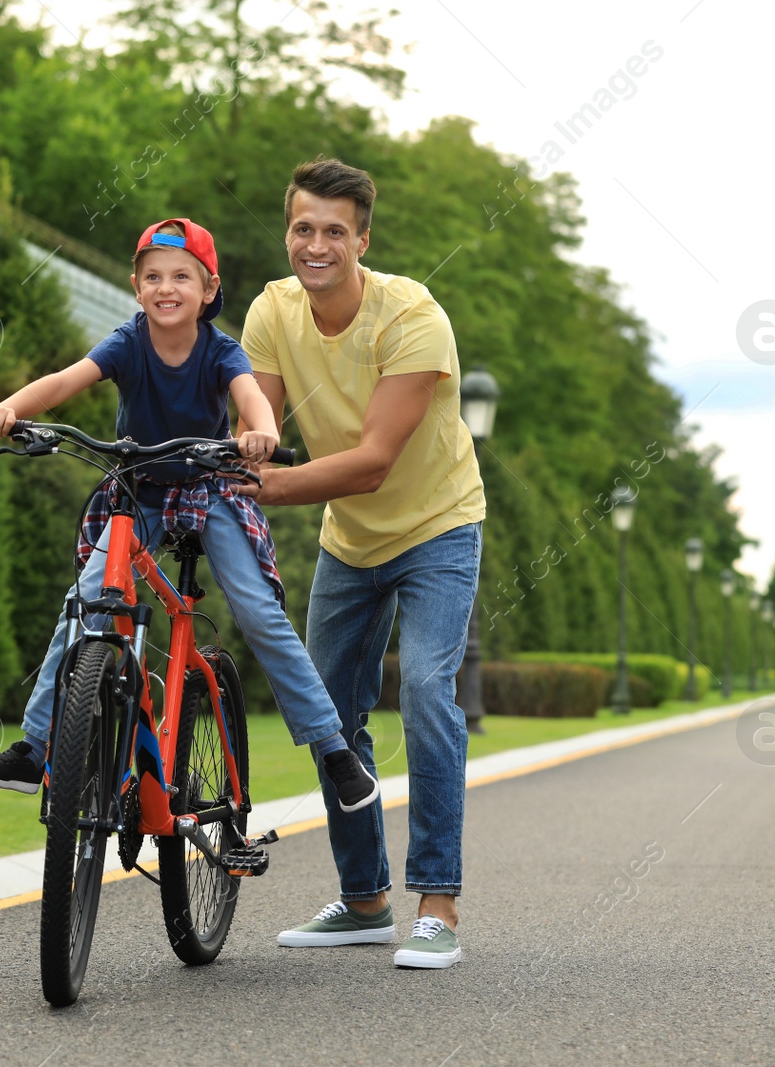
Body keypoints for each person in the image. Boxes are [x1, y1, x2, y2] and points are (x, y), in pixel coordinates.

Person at [0, 217, 378, 814]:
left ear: (208, 290)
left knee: (258, 612)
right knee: (86, 604)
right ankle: (36, 747)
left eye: (182, 276)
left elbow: (253, 399)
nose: (166, 288)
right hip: (138, 492)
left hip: (209, 490)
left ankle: (335, 751)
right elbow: (66, 380)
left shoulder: (221, 350)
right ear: (137, 288)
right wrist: (9, 408)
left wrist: (261, 434)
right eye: (153, 276)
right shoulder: (127, 342)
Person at [238, 158, 485, 970]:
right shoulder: (273, 311)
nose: (316, 245)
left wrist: (263, 487)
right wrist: (243, 454)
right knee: (327, 710)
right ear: (289, 233)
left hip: (438, 526)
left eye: (334, 231)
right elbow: (258, 420)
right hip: (352, 539)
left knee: (421, 686)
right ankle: (365, 899)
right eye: (303, 228)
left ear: (362, 240)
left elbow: (375, 461)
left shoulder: (413, 317)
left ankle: (438, 903)